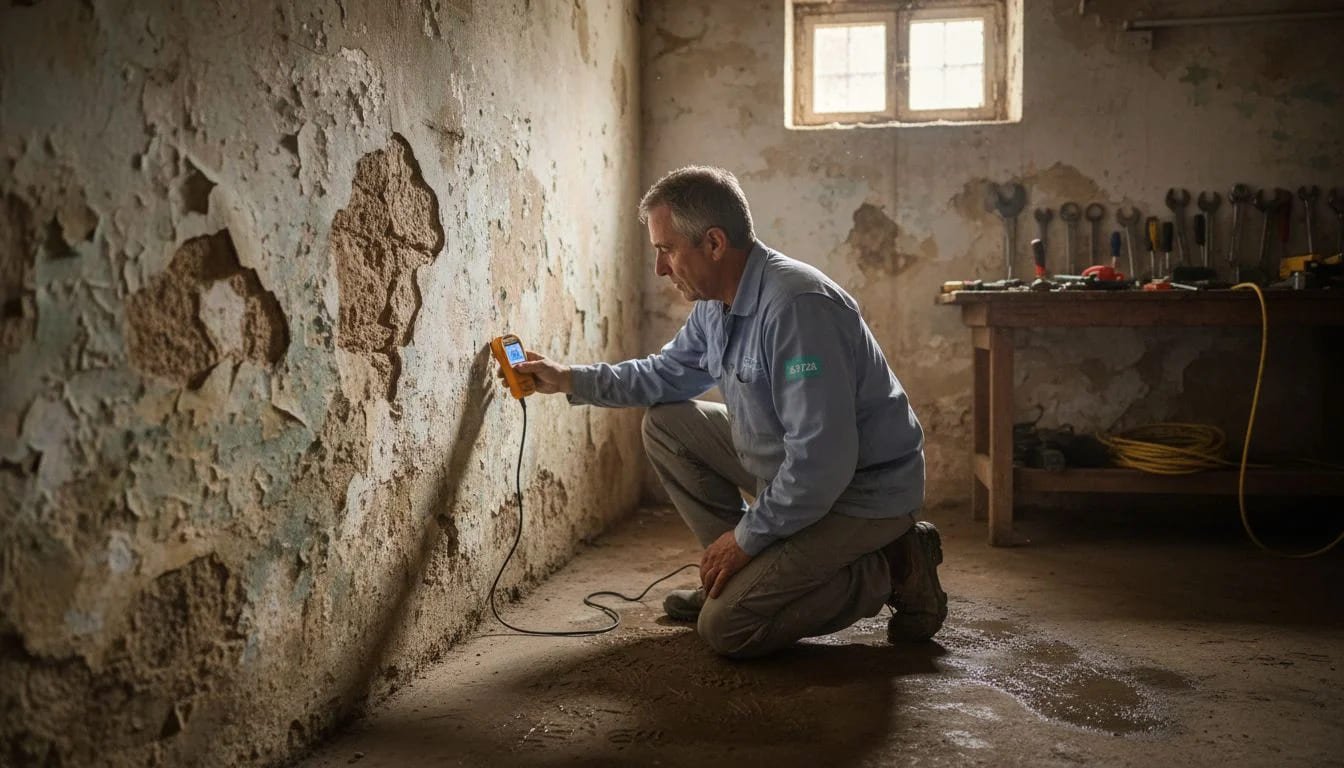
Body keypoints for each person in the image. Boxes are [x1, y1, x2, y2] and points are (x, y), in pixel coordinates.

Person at [505, 166, 944, 659]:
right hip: (798, 473)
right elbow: (665, 374)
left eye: (666, 250)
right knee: (668, 424)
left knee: (728, 628)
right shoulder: (717, 303)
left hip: (861, 493)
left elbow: (822, 465)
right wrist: (568, 378)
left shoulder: (797, 307)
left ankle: (895, 564)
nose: (661, 268)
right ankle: (738, 577)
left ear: (713, 243)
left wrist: (746, 538)